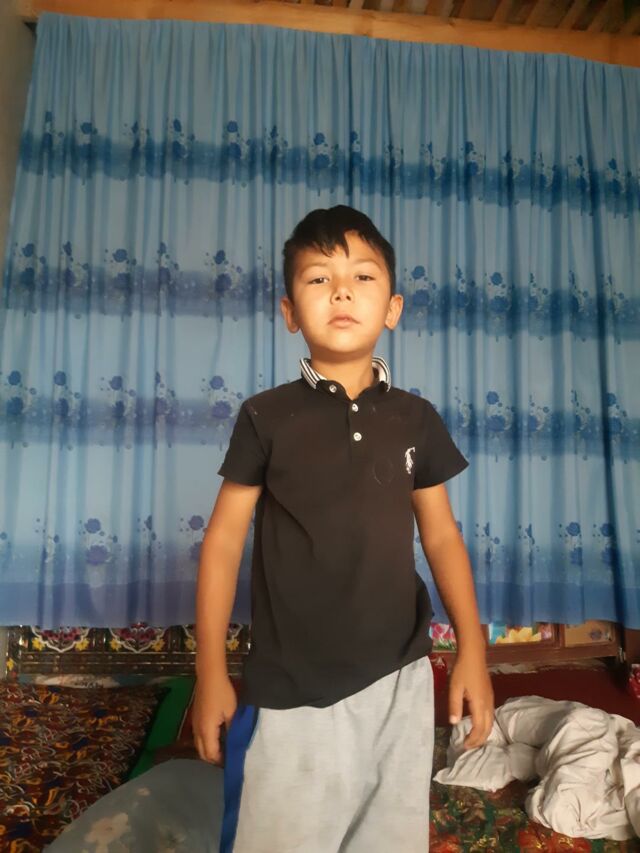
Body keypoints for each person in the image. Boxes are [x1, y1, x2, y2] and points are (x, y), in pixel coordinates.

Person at [193, 205, 494, 853]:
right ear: (289, 312)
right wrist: (210, 669)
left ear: (393, 308)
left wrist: (472, 646)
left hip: (400, 681)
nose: (341, 292)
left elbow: (441, 536)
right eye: (318, 278)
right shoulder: (265, 417)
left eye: (362, 276)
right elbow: (222, 542)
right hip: (291, 690)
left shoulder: (416, 419)